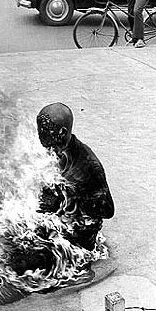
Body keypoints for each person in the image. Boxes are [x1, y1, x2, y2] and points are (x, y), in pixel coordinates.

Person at [36, 102, 114, 252]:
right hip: (53, 218)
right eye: (39, 130)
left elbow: (107, 210)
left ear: (62, 132)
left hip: (77, 233)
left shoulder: (89, 166)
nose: (40, 136)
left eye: (45, 131)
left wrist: (71, 195)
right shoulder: (50, 152)